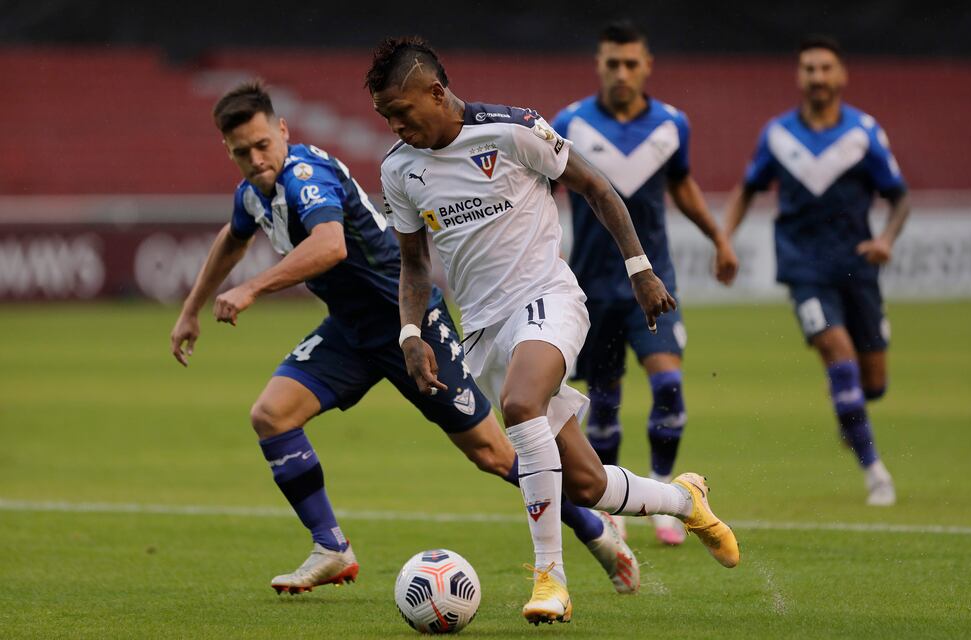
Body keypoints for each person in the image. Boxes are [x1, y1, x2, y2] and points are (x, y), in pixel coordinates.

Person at [169, 80, 641, 597]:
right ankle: (331, 548)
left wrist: (252, 289)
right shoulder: (255, 193)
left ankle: (594, 527)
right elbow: (231, 239)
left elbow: (329, 247)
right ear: (229, 151)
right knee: (271, 416)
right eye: (243, 152)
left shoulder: (307, 177)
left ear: (282, 131)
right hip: (350, 332)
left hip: (408, 326)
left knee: (491, 452)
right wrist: (191, 311)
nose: (257, 159)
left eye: (263, 145)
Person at [370, 36, 739, 626]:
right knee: (587, 484)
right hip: (485, 334)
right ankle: (684, 500)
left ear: (436, 92)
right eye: (384, 115)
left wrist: (639, 269)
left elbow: (596, 187)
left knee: (520, 405)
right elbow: (414, 263)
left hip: (549, 299)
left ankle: (551, 580)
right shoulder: (399, 170)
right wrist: (410, 334)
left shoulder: (512, 131)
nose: (394, 124)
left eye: (400, 110)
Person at [552, 20, 739, 546]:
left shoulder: (672, 124)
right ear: (599, 65)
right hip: (590, 288)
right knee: (604, 403)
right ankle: (611, 506)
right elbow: (545, 190)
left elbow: (682, 185)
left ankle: (665, 498)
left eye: (631, 63)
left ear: (647, 66)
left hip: (652, 285)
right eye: (612, 63)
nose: (622, 73)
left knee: (668, 387)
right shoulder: (571, 122)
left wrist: (719, 238)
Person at [724, 35, 910, 506]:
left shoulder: (863, 133)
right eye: (809, 69)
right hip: (803, 269)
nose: (818, 77)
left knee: (873, 383)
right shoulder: (778, 136)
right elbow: (748, 189)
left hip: (858, 267)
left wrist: (885, 239)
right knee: (837, 352)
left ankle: (852, 415)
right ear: (799, 76)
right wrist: (724, 238)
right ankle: (876, 474)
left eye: (826, 68)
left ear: (841, 75)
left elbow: (899, 196)